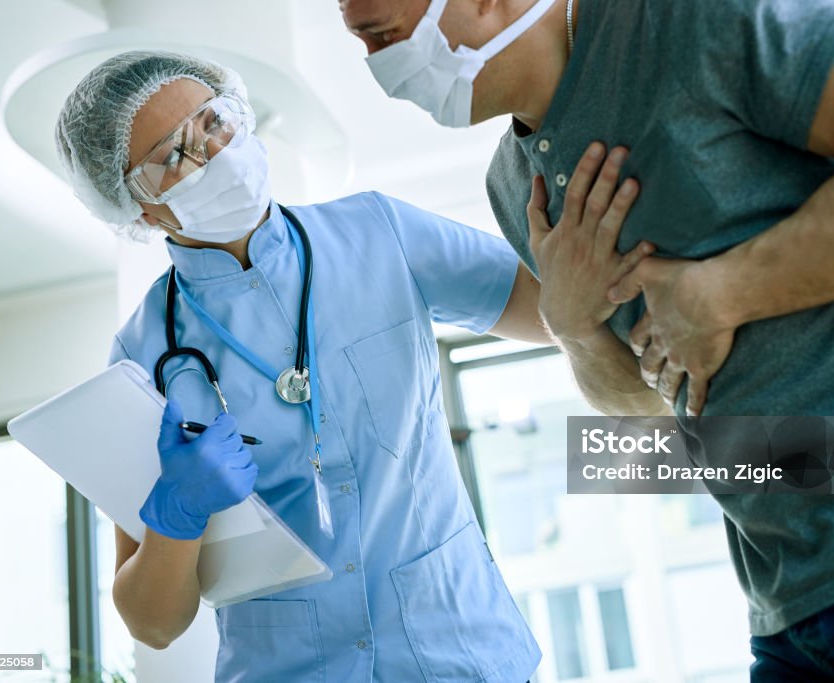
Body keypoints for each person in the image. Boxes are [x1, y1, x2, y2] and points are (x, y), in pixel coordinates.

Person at [341, 0, 834, 679]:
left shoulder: (691, 21)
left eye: (384, 36)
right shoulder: (512, 188)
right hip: (786, 606)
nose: (362, 37)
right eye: (368, 44)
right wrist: (574, 327)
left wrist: (724, 292)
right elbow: (646, 406)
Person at [54, 50, 657, 682]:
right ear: (141, 210)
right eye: (172, 158)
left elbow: (556, 313)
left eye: (212, 122)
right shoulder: (143, 352)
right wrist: (177, 512)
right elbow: (154, 623)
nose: (212, 154)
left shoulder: (379, 231)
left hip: (460, 652)